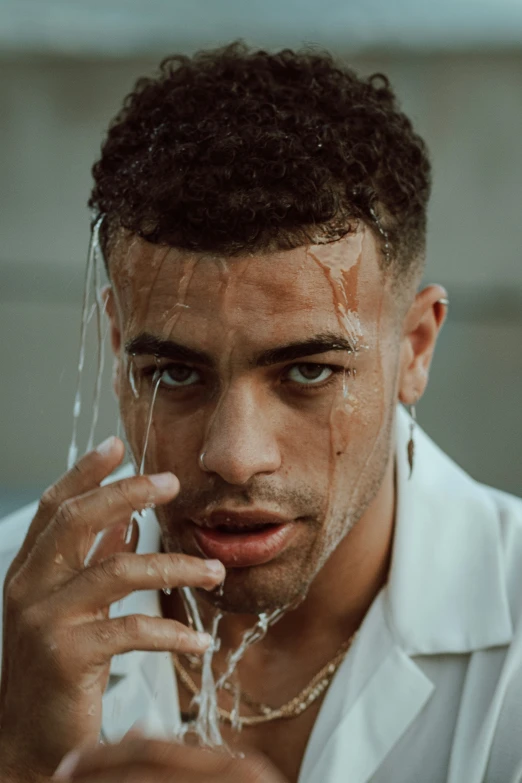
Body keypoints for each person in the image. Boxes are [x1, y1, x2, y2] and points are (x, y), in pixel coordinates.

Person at [0, 42, 521, 783]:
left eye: (308, 371)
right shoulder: (12, 605)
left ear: (415, 348)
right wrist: (21, 761)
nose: (236, 455)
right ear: (118, 344)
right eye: (175, 372)